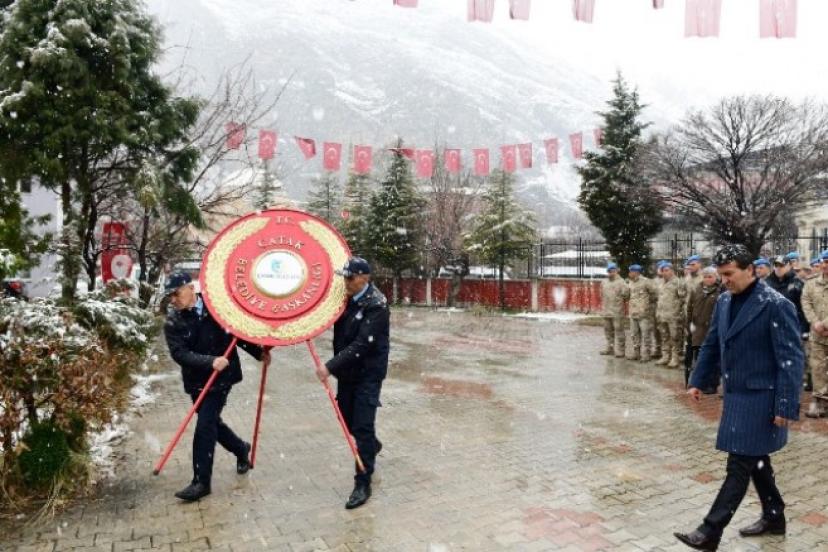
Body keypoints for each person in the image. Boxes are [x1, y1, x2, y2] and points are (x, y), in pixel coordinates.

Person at [674, 245, 803, 551]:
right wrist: (698, 380)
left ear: (750, 270)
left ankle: (710, 531)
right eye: (721, 275)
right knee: (756, 460)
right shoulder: (723, 301)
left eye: (729, 274)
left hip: (762, 399)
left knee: (739, 464)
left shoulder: (776, 305)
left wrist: (785, 404)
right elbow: (712, 343)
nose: (725, 280)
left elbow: (791, 359)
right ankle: (774, 516)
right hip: (735, 396)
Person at [163, 271, 270, 502]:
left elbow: (236, 334)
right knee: (212, 423)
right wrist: (210, 361)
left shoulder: (217, 307)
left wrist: (259, 352)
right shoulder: (173, 321)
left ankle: (201, 482)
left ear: (191, 288)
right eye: (169, 296)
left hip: (222, 378)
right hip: (196, 381)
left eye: (176, 293)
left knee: (205, 426)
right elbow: (179, 353)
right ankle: (241, 448)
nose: (173, 300)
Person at [314, 257, 390, 509]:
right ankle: (371, 446)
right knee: (346, 418)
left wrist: (329, 366)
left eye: (350, 278)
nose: (345, 282)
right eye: (344, 277)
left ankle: (362, 482)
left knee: (362, 426)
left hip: (368, 374)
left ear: (364, 278)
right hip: (347, 374)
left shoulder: (377, 305)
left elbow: (362, 345)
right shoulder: (344, 300)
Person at [801, 250, 828, 418]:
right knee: (818, 369)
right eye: (823, 262)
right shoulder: (811, 283)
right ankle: (820, 402)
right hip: (817, 335)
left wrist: (824, 324)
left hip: (822, 328)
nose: (824, 265)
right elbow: (806, 302)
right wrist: (815, 322)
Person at [686, 266, 720, 392]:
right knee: (699, 357)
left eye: (710, 277)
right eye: (705, 277)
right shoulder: (697, 289)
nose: (707, 279)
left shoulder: (720, 290)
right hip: (698, 329)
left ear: (715, 277)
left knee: (713, 358)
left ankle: (712, 384)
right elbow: (690, 307)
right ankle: (700, 383)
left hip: (712, 328)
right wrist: (689, 324)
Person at [655, 262, 687, 368]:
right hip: (662, 315)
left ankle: (675, 358)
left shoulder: (678, 282)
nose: (664, 273)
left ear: (672, 271)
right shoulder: (661, 283)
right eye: (663, 271)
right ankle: (665, 356)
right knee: (664, 337)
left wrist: (678, 312)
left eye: (667, 270)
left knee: (675, 338)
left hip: (673, 316)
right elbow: (659, 299)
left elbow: (683, 299)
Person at [626, 264, 657, 362]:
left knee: (646, 334)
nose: (629, 273)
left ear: (636, 272)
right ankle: (636, 353)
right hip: (633, 312)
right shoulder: (630, 282)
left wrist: (646, 305)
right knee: (634, 334)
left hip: (644, 314)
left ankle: (647, 355)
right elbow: (628, 296)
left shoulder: (646, 282)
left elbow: (654, 294)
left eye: (631, 271)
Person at [600, 262, 628, 358]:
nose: (610, 272)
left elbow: (626, 295)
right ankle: (610, 348)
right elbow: (601, 294)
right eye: (609, 271)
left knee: (619, 330)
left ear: (616, 271)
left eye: (612, 270)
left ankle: (621, 350)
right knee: (608, 330)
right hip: (606, 310)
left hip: (617, 311)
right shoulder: (604, 282)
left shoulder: (621, 282)